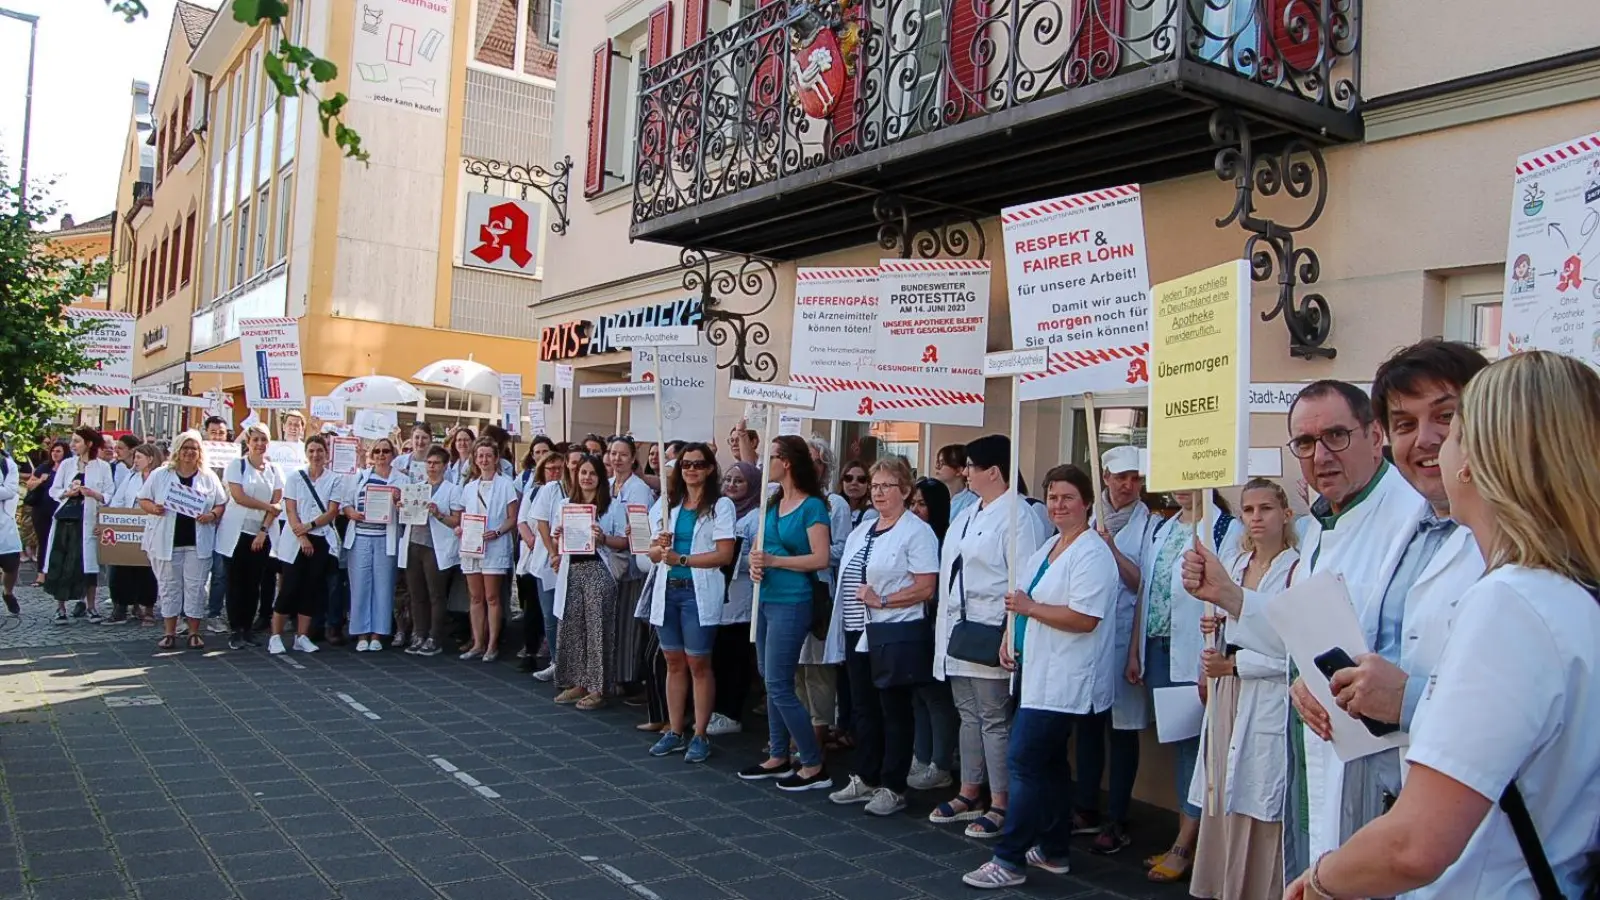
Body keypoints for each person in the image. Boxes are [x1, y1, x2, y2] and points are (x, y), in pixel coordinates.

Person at [1286, 350, 1600, 899]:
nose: (1428, 442)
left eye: (1451, 424)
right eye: (1405, 423)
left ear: (1476, 458)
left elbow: (1416, 846)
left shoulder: (1512, 600)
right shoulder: (1564, 587)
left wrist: (1318, 883)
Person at [1184, 345, 1490, 879]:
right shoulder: (1329, 524)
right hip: (1334, 756)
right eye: (1305, 442)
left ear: (1373, 439)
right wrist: (1233, 600)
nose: (1321, 454)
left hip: (1414, 785)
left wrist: (1401, 697)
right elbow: (1314, 637)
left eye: (1336, 436)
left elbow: (1408, 661)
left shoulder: (1413, 517)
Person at [961, 464, 1119, 888]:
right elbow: (1019, 599)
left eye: (1068, 497)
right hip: (1037, 673)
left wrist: (1029, 611)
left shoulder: (1092, 553)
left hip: (1066, 679)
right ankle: (1053, 849)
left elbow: (1085, 618)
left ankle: (1009, 859)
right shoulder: (1049, 547)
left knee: (1024, 761)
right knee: (1048, 767)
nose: (1058, 504)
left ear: (1087, 502)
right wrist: (1010, 636)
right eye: (1052, 497)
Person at [930, 435, 1049, 838]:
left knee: (994, 717)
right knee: (968, 713)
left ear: (992, 472)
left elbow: (1024, 579)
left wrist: (1009, 633)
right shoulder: (970, 512)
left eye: (970, 466)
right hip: (960, 628)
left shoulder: (1019, 516)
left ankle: (1001, 801)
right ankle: (969, 789)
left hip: (991, 629)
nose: (965, 473)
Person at [1189, 478, 1298, 900]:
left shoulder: (1295, 570)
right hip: (1226, 696)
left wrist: (1235, 664)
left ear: (1285, 514)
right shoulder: (1234, 566)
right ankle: (1220, 887)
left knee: (1257, 797)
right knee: (1223, 790)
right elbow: (1231, 620)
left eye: (1266, 509)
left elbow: (1292, 652)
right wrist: (1215, 630)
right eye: (1248, 510)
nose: (1256, 518)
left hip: (1263, 694)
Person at [1126, 488, 1238, 881]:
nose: (1180, 486)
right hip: (1159, 648)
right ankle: (1186, 837)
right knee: (1180, 745)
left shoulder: (1226, 528)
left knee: (1197, 747)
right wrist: (1135, 649)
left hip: (1195, 651)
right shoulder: (1164, 528)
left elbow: (1230, 597)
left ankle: (1186, 845)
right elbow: (1147, 590)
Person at [827, 457, 939, 817]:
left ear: (905, 491)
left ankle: (894, 785)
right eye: (874, 486)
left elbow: (926, 587)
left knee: (894, 709)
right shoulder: (864, 528)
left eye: (886, 486)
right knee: (863, 707)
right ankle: (867, 774)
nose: (877, 492)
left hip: (894, 631)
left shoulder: (917, 532)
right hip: (858, 629)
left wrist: (884, 600)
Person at [1074, 445, 1160, 854]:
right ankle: (1086, 807)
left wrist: (1109, 548)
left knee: (1123, 731)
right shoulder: (1088, 518)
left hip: (1127, 639)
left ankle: (1117, 817)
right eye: (1122, 477)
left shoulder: (1151, 526)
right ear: (1105, 477)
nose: (1129, 485)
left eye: (1137, 479)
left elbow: (1142, 581)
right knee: (1089, 725)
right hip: (1089, 638)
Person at [740, 435, 834, 792]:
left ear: (788, 462)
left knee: (780, 682)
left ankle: (812, 761)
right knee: (769, 677)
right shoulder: (772, 504)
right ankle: (778, 754)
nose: (767, 461)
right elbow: (760, 550)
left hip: (793, 599)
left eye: (772, 456)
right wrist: (756, 564)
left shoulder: (813, 507)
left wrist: (776, 561)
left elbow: (820, 557)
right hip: (766, 596)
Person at [643, 442, 736, 763]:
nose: (691, 470)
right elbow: (652, 553)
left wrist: (682, 556)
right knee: (673, 662)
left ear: (710, 469)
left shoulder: (721, 506)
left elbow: (724, 554)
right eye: (686, 465)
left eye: (698, 464)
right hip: (668, 590)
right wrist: (661, 547)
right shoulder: (668, 506)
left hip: (697, 592)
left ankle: (700, 733)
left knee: (698, 662)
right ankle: (674, 729)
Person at [139, 432, 228, 650]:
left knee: (196, 588)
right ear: (178, 449)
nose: (189, 452)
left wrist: (212, 516)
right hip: (167, 541)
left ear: (200, 452)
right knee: (169, 587)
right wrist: (154, 508)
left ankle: (194, 632)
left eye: (194, 448)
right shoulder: (161, 474)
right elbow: (143, 498)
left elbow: (220, 503)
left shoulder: (208, 477)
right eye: (186, 447)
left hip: (197, 542)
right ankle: (170, 632)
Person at [551, 454, 621, 710]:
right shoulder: (566, 505)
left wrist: (604, 538)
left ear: (600, 477)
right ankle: (578, 681)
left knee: (597, 630)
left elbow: (625, 542)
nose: (587, 478)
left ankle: (597, 687)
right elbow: (560, 542)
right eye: (583, 473)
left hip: (599, 570)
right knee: (573, 626)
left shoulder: (612, 506)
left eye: (592, 473)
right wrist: (559, 536)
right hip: (573, 571)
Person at [907, 477, 958, 791]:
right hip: (914, 622)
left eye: (922, 503)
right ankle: (921, 755)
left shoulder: (944, 539)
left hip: (935, 624)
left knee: (936, 697)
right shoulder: (913, 536)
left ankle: (940, 762)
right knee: (917, 695)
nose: (915, 509)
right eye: (912, 502)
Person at [215, 423, 285, 650]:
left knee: (254, 584)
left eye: (263, 440)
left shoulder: (275, 470)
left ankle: (247, 628)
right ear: (248, 442)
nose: (260, 444)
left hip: (260, 535)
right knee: (235, 583)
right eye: (255, 440)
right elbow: (239, 497)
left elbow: (278, 503)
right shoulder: (237, 466)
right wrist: (267, 506)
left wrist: (263, 530)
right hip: (236, 535)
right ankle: (235, 629)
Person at [270, 434, 341, 654]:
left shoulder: (334, 479)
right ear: (306, 453)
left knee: (311, 589)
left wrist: (309, 527)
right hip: (294, 540)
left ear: (326, 454)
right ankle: (275, 636)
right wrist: (301, 536)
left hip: (319, 539)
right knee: (289, 588)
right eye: (311, 450)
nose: (315, 455)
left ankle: (302, 636)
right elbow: (290, 509)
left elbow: (331, 511)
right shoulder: (294, 477)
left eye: (319, 450)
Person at [340, 437, 410, 652]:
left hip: (385, 539)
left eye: (386, 451)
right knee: (360, 586)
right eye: (377, 451)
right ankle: (361, 633)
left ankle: (378, 633)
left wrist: (400, 503)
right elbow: (345, 503)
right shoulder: (360, 476)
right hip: (360, 537)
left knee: (383, 586)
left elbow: (409, 511)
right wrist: (352, 513)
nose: (381, 455)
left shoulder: (402, 480)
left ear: (393, 454)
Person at [710, 461, 762, 737]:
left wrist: (728, 553)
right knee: (718, 656)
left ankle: (731, 712)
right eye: (728, 479)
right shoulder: (718, 509)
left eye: (738, 481)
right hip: (718, 595)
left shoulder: (756, 516)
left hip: (741, 597)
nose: (731, 485)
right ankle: (717, 709)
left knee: (735, 658)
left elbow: (752, 556)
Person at [44, 427, 115, 624]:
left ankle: (91, 606)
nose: (73, 445)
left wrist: (93, 494)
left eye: (77, 441)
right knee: (63, 562)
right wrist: (68, 492)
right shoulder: (67, 464)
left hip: (89, 520)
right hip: (67, 521)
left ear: (89, 444)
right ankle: (60, 608)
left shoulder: (102, 467)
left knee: (89, 565)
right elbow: (54, 490)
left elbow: (109, 494)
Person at [457, 438, 519, 661]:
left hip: (494, 545)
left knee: (492, 597)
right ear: (475, 459)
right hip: (472, 546)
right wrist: (460, 529)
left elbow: (513, 518)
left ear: (496, 459)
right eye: (480, 456)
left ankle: (492, 644)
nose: (484, 460)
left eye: (488, 456)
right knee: (475, 597)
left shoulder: (506, 485)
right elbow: (464, 517)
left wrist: (498, 532)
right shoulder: (470, 487)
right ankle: (477, 642)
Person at [606, 436, 656, 691]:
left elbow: (640, 528)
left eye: (623, 454)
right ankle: (613, 672)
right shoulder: (608, 484)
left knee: (628, 623)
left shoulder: (639, 489)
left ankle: (626, 677)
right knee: (613, 620)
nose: (617, 459)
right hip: (608, 560)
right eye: (613, 453)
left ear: (633, 457)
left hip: (631, 565)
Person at [402, 445, 460, 657]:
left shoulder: (452, 490)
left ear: (445, 466)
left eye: (436, 463)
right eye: (429, 463)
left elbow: (456, 521)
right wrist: (403, 507)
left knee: (436, 593)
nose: (432, 467)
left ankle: (434, 636)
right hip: (414, 542)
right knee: (416, 593)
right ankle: (419, 633)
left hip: (436, 546)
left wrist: (438, 514)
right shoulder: (416, 487)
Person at [519, 447, 568, 679]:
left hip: (568, 561)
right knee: (549, 614)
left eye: (562, 467)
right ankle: (556, 661)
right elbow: (542, 524)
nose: (557, 472)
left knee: (565, 615)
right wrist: (552, 553)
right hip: (547, 559)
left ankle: (567, 663)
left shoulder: (576, 489)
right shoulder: (546, 490)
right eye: (552, 468)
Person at [103, 442, 163, 625]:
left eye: (139, 457)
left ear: (150, 459)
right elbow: (118, 501)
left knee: (148, 571)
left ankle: (148, 608)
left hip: (152, 527)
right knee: (121, 568)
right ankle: (120, 606)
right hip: (129, 530)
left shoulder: (160, 477)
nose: (135, 461)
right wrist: (113, 519)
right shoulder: (131, 478)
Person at [24, 440, 67, 587]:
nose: (55, 454)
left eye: (58, 451)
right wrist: (41, 481)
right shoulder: (44, 467)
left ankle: (57, 574)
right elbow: (29, 484)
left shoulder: (68, 468)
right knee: (43, 541)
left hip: (60, 509)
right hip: (42, 509)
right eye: (53, 451)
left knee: (60, 542)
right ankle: (41, 575)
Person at [0, 438, 23, 615]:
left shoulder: (7, 464)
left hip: (4, 523)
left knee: (11, 564)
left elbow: (10, 490)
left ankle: (8, 592)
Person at [935, 444, 977, 520]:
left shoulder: (972, 502)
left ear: (959, 470)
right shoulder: (935, 498)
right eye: (937, 463)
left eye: (942, 464)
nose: (937, 467)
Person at [839, 460, 873, 527]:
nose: (854, 483)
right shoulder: (833, 508)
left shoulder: (871, 515)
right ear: (842, 482)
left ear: (868, 485)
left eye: (861, 479)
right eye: (848, 478)